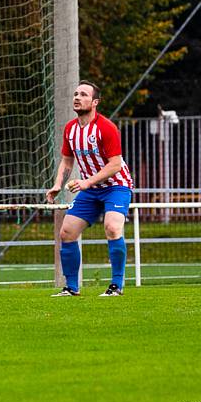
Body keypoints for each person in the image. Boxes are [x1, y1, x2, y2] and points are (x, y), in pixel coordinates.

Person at [46, 80, 133, 297]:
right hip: (91, 189)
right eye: (76, 94)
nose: (77, 97)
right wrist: (57, 184)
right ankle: (71, 287)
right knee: (67, 232)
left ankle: (116, 286)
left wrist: (87, 182)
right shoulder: (70, 129)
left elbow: (115, 164)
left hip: (116, 186)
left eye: (83, 94)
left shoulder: (106, 127)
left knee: (113, 228)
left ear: (95, 102)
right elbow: (67, 161)